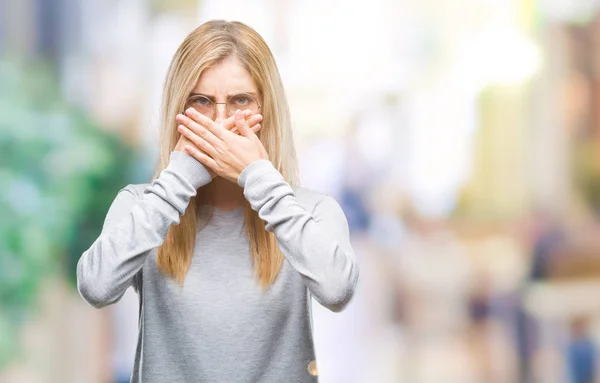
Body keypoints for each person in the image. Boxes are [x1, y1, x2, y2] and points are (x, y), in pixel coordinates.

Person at [76, 20, 359, 383]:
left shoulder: (310, 212)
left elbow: (338, 291)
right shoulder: (144, 205)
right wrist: (178, 177)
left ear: (267, 109)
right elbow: (96, 287)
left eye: (241, 101)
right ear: (179, 109)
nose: (221, 122)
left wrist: (258, 176)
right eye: (202, 102)